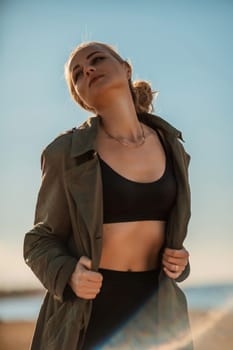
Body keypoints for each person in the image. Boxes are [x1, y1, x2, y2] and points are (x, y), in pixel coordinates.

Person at [24, 41, 193, 350]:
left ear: (126, 70)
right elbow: (38, 240)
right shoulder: (65, 153)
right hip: (89, 313)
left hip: (158, 314)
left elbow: (171, 235)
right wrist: (69, 275)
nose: (87, 69)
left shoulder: (174, 148)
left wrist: (180, 263)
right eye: (77, 74)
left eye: (97, 59)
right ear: (81, 99)